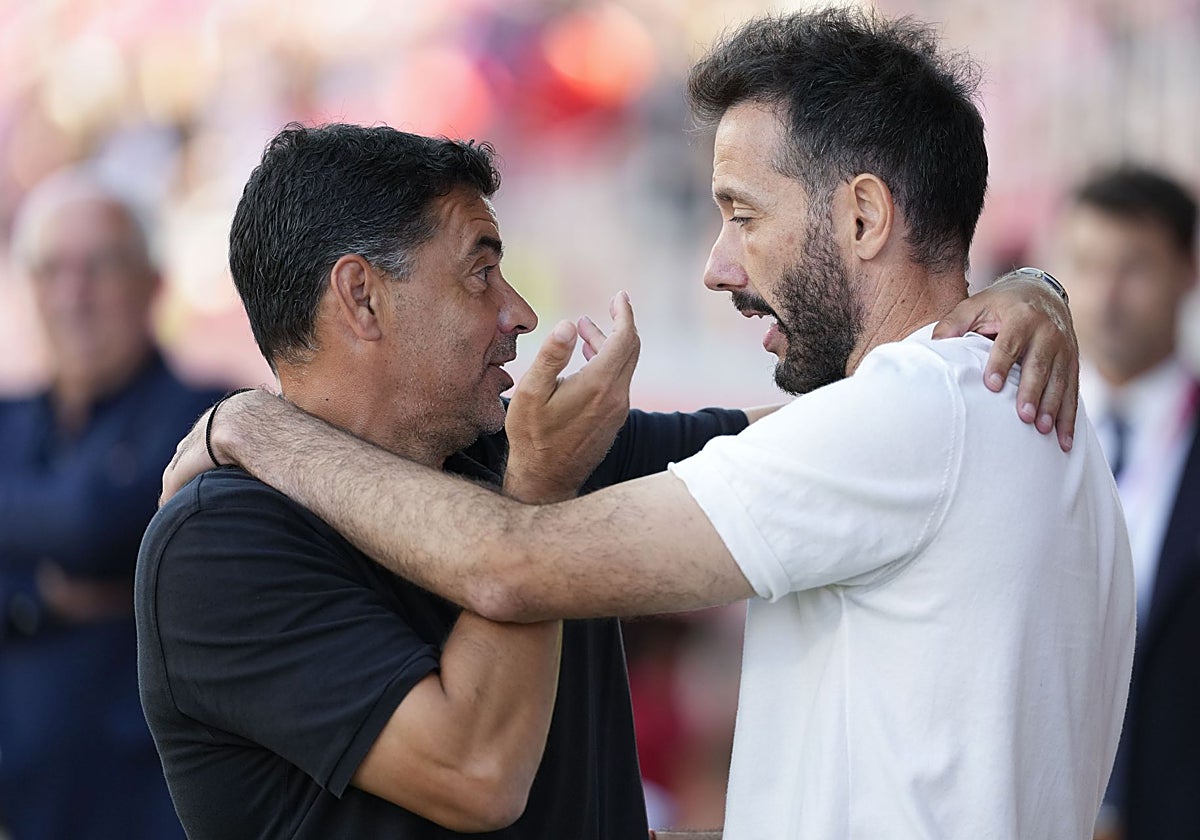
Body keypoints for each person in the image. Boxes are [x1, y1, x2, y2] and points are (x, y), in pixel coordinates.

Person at [169, 10, 1134, 839]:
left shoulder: (924, 415)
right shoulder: (226, 538)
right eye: (480, 269)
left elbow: (513, 563)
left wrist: (254, 426)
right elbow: (479, 769)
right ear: (362, 298)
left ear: (865, 218)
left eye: (743, 215)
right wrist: (1029, 288)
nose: (718, 266)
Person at [0, 170, 221, 840]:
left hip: (153, 807)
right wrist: (37, 600)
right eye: (52, 270)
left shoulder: (206, 419)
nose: (75, 295)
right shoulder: (6, 422)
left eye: (100, 266)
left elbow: (94, 526)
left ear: (154, 282)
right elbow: (89, 523)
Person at [1062, 167, 1200, 840]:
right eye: (1087, 266)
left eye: (1134, 268)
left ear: (1188, 270)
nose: (1106, 296)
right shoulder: (1012, 430)